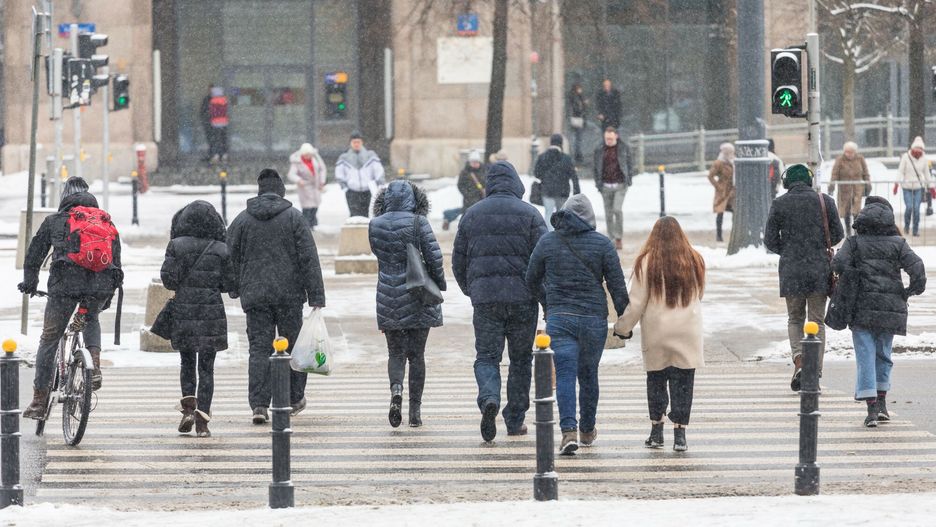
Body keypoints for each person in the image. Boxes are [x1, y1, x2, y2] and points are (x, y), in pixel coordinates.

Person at [453, 161, 548, 442]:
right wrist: (543, 297)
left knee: (487, 356)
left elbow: (458, 260)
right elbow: (544, 259)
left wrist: (472, 289)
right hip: (523, 300)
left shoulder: (472, 215)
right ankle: (515, 419)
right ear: (516, 183)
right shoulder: (530, 214)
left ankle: (489, 398)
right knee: (521, 360)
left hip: (486, 301)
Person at [526, 194, 628, 455]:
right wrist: (624, 321)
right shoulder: (603, 244)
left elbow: (531, 279)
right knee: (589, 374)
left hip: (560, 318)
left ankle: (568, 431)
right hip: (594, 320)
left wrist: (548, 303)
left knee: (565, 374)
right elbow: (617, 286)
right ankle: (587, 429)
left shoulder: (548, 242)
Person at [227, 169, 326, 424]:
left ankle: (259, 405)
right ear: (281, 191)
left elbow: (230, 258)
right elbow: (309, 258)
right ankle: (294, 398)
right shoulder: (294, 218)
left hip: (256, 296)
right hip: (289, 295)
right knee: (294, 347)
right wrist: (316, 295)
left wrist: (234, 287)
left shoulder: (242, 220)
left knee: (259, 349)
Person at [19, 177, 122, 418]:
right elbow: (116, 263)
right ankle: (94, 366)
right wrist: (107, 294)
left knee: (50, 338)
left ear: (65, 198)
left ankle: (39, 402)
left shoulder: (55, 221)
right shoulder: (106, 222)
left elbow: (34, 255)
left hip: (64, 285)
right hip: (99, 285)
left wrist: (30, 282)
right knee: (91, 318)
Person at [831, 197, 925, 427]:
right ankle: (882, 403)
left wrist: (854, 271)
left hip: (861, 307)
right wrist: (911, 290)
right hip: (890, 308)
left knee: (865, 356)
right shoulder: (898, 243)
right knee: (883, 354)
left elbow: (838, 265)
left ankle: (871, 407)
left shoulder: (854, 243)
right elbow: (917, 268)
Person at [614, 217, 705, 452]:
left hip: (658, 332)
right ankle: (680, 435)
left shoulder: (647, 262)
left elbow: (636, 304)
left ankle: (656, 432)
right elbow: (700, 294)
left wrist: (622, 328)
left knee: (656, 380)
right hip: (687, 331)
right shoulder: (694, 259)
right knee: (684, 382)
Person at [369, 181, 446, 428]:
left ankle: (396, 390)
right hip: (418, 295)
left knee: (395, 353)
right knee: (417, 355)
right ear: (414, 200)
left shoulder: (375, 224)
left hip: (387, 295)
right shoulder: (418, 222)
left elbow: (380, 255)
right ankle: (415, 412)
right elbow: (434, 257)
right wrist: (439, 283)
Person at [764, 164, 844, 392]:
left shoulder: (779, 203)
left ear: (787, 182)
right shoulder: (825, 201)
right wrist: (817, 247)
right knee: (816, 321)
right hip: (819, 269)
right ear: (809, 181)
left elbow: (770, 240)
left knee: (795, 319)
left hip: (791, 271)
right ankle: (814, 370)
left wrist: (789, 250)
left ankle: (799, 361)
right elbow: (838, 234)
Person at [160, 200, 232, 438]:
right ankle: (203, 422)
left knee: (187, 363)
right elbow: (229, 283)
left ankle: (188, 410)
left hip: (184, 312)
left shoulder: (176, 245)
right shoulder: (221, 249)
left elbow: (168, 280)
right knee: (207, 369)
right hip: (211, 313)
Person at [592, 126, 633, 250]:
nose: (608, 141)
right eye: (606, 139)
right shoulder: (599, 149)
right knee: (608, 213)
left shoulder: (623, 148)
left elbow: (630, 164)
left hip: (620, 184)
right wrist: (598, 183)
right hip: (605, 186)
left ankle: (618, 237)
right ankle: (611, 238)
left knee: (617, 209)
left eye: (610, 138)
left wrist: (629, 179)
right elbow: (595, 167)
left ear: (616, 136)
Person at [534, 133, 581, 230]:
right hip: (563, 191)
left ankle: (549, 233)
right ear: (561, 144)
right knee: (561, 214)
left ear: (550, 142)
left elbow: (537, 173)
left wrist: (546, 178)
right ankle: (560, 233)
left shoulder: (542, 157)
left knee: (548, 213)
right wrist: (577, 191)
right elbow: (574, 176)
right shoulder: (566, 158)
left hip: (547, 190)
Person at [335, 131, 386, 218]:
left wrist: (379, 183)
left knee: (367, 215)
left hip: (367, 191)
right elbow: (339, 173)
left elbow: (378, 170)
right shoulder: (344, 158)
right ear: (350, 143)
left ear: (362, 142)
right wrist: (345, 187)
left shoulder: (371, 155)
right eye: (354, 142)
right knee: (354, 216)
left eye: (358, 142)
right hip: (352, 191)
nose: (356, 144)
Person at [829, 141, 870, 236]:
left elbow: (865, 173)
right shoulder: (840, 159)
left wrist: (868, 184)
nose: (849, 154)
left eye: (851, 152)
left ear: (855, 152)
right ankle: (848, 231)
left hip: (857, 189)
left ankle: (856, 230)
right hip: (844, 189)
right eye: (847, 152)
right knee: (846, 211)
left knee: (856, 211)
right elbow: (834, 173)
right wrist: (831, 186)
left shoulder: (860, 159)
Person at [287, 142, 327, 230]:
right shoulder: (297, 161)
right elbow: (291, 174)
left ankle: (312, 223)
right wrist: (299, 180)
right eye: (306, 154)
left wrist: (322, 181)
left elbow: (322, 169)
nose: (308, 156)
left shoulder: (316, 158)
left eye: (309, 154)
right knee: (307, 208)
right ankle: (306, 225)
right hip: (305, 187)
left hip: (316, 185)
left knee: (315, 205)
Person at [896, 136, 931, 237]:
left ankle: (915, 230)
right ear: (913, 149)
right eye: (917, 150)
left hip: (918, 187)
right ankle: (907, 226)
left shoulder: (924, 159)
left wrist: (931, 186)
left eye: (920, 150)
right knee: (909, 207)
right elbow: (900, 171)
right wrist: (896, 183)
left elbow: (927, 173)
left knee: (916, 208)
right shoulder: (906, 157)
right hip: (907, 187)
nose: (918, 152)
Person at [443, 150, 486, 231]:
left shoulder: (484, 171)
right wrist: (467, 194)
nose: (475, 164)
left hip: (481, 198)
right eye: (473, 162)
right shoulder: (465, 172)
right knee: (467, 214)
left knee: (478, 215)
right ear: (470, 162)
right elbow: (460, 185)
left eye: (476, 162)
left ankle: (448, 215)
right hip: (469, 199)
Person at [708, 143, 735, 243]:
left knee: (735, 211)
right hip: (723, 191)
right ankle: (719, 235)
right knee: (720, 212)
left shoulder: (734, 162)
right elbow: (710, 176)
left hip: (732, 191)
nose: (731, 154)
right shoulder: (719, 163)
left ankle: (734, 233)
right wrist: (718, 187)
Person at [206, 86, 229, 163]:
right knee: (223, 139)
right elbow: (225, 111)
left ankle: (216, 155)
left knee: (216, 139)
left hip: (215, 123)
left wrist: (210, 118)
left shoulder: (213, 101)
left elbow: (212, 112)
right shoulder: (224, 100)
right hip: (224, 122)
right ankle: (224, 154)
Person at [567, 83, 588, 163]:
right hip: (577, 118)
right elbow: (577, 108)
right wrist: (583, 104)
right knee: (578, 138)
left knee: (578, 138)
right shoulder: (575, 97)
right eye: (579, 88)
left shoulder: (579, 96)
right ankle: (577, 154)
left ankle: (577, 153)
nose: (580, 90)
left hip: (578, 118)